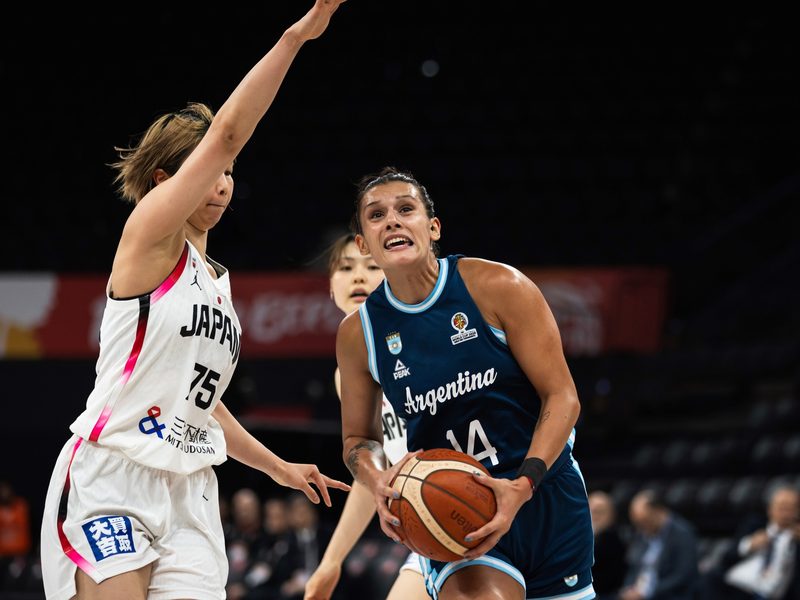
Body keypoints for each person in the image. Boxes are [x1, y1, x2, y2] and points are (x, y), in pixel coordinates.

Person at [39, 2, 350, 599]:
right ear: (165, 182)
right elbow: (230, 128)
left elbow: (199, 404)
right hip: (115, 473)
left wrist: (277, 467)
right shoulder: (151, 237)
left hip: (191, 490)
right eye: (209, 167)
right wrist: (294, 37)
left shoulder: (217, 281)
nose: (224, 179)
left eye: (230, 169)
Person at [336, 167, 595, 599]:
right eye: (376, 215)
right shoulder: (357, 334)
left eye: (406, 209)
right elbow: (358, 440)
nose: (393, 221)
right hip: (454, 511)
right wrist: (377, 480)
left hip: (543, 493)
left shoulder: (497, 286)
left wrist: (522, 485)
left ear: (433, 227)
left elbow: (563, 397)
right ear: (364, 244)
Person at [304, 233, 428, 600]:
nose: (358, 276)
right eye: (345, 268)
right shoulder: (349, 372)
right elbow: (372, 475)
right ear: (330, 286)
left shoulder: (422, 338)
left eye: (372, 266)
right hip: (432, 520)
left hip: (478, 501)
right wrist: (331, 562)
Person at [704, 484, 800, 600]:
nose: (784, 513)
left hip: (770, 593)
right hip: (740, 587)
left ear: (797, 511)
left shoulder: (797, 538)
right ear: (770, 509)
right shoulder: (754, 526)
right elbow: (727, 558)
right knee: (710, 578)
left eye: (789, 509)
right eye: (781, 507)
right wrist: (748, 545)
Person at [618, 489, 698, 600]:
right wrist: (628, 589)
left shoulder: (682, 534)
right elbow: (634, 568)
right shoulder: (642, 534)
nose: (641, 527)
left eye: (644, 521)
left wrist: (647, 593)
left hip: (669, 595)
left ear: (658, 512)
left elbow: (682, 576)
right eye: (637, 523)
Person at [588, 490, 627, 599]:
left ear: (611, 515)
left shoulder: (613, 539)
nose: (595, 516)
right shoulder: (584, 536)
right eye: (592, 511)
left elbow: (611, 577)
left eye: (599, 512)